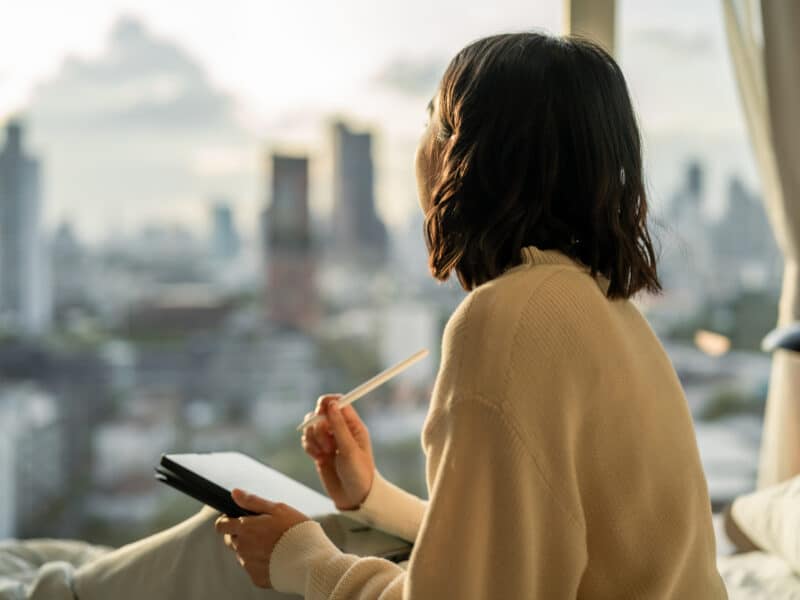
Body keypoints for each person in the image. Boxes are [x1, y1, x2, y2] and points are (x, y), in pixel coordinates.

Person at [74, 31, 728, 599]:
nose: (419, 146)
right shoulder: (609, 312)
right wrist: (373, 498)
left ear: (466, 158)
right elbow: (528, 550)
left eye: (430, 122)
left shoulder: (503, 321)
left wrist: (307, 565)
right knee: (337, 528)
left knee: (232, 547)